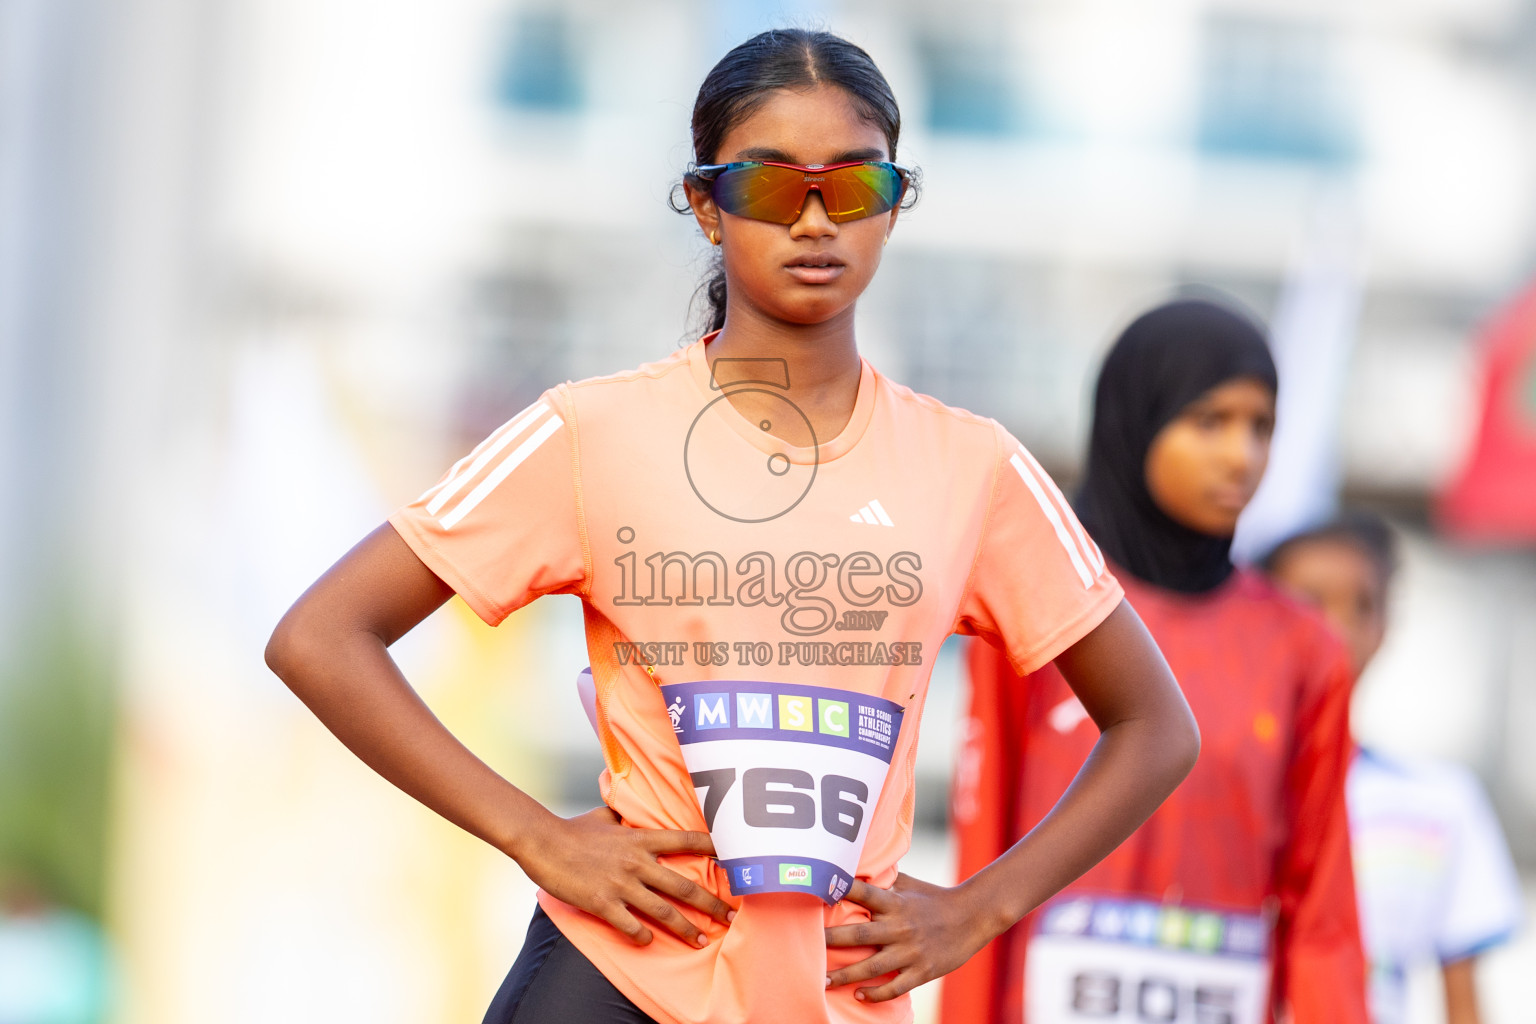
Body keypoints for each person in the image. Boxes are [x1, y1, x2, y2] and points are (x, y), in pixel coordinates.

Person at [264, 28, 1200, 1024]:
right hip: (617, 975)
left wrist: (979, 908)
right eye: (766, 186)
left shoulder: (974, 466)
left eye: (852, 186)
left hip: (837, 991)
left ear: (894, 203)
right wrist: (535, 835)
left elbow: (1156, 727)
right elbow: (320, 636)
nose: (812, 220)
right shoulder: (592, 431)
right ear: (706, 205)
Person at [942, 298, 1370, 1024]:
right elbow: (982, 849)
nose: (1242, 456)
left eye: (1261, 426)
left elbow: (1323, 910)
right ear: (1136, 418)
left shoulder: (1303, 649)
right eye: (1210, 422)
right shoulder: (1041, 610)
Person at [1264, 513, 1523, 1024]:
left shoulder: (1437, 805)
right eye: (1311, 603)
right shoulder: (1208, 789)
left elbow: (1463, 1001)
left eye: (1363, 606)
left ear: (1386, 626)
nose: (1338, 628)